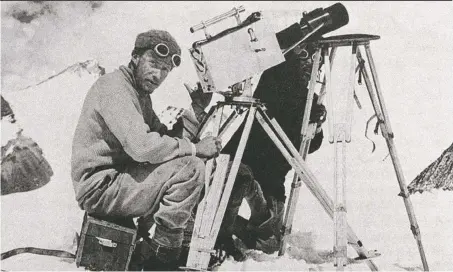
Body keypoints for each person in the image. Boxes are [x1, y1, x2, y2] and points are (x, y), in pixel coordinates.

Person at [70, 29, 222, 271]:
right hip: (100, 188)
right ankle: (162, 258)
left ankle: (167, 245)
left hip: (119, 179)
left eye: (165, 70)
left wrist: (196, 111)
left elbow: (164, 139)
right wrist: (195, 148)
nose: (158, 74)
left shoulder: (139, 94)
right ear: (135, 57)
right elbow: (142, 147)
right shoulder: (115, 88)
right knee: (191, 168)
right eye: (153, 63)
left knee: (188, 164)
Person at [188, 33, 327, 258]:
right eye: (303, 57)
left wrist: (317, 124)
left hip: (272, 180)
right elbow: (282, 87)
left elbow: (310, 145)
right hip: (243, 166)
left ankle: (236, 227)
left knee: (269, 241)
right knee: (237, 181)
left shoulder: (307, 97)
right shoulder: (276, 80)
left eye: (314, 60)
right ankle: (222, 232)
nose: (310, 65)